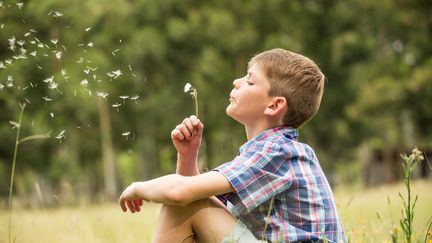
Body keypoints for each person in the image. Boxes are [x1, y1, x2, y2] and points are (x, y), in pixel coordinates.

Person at [119, 48, 346, 242]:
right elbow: (197, 203)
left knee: (180, 203)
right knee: (185, 204)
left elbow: (181, 195)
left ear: (274, 105)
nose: (236, 82)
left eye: (250, 80)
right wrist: (188, 156)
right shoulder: (275, 150)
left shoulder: (276, 151)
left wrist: (137, 187)